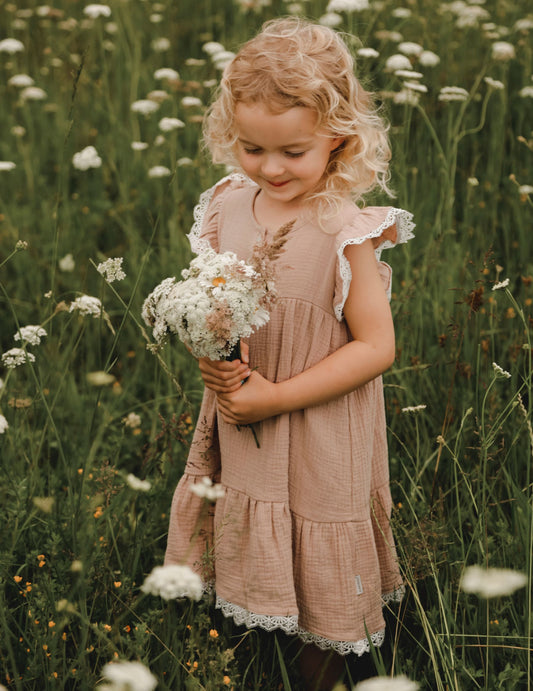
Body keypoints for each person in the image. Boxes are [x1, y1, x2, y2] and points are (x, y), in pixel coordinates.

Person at [164, 17, 414, 690]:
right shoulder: (227, 205)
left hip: (315, 427)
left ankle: (317, 674)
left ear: (339, 139)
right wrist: (212, 355)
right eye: (250, 148)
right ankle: (249, 647)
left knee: (318, 562)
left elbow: (376, 346)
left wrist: (274, 396)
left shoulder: (344, 230)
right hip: (240, 413)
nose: (269, 168)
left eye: (292, 152)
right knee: (245, 528)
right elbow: (215, 302)